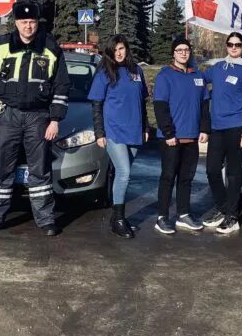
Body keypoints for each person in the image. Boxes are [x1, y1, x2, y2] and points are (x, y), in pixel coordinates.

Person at [0, 1, 70, 236]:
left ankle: (46, 219)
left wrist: (55, 119)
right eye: (24, 22)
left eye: (32, 22)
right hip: (8, 115)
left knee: (40, 170)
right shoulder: (0, 47)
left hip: (38, 116)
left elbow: (61, 87)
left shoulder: (51, 48)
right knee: (2, 168)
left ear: (37, 23)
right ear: (16, 23)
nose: (28, 26)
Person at [88, 34, 149, 239]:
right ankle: (119, 219)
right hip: (113, 130)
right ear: (110, 52)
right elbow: (97, 104)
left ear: (127, 49)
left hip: (134, 129)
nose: (119, 53)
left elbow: (142, 103)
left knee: (124, 172)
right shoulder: (105, 72)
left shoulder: (136, 71)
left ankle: (116, 216)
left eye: (122, 48)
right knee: (124, 173)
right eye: (115, 50)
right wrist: (99, 132)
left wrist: (146, 127)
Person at [201, 31, 242, 235]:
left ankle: (232, 217)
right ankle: (223, 208)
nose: (234, 48)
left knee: (233, 173)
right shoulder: (217, 67)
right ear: (226, 46)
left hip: (236, 128)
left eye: (238, 45)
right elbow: (198, 78)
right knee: (212, 170)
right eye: (230, 44)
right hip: (217, 127)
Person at [152, 36, 210, 235]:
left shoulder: (198, 76)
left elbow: (204, 105)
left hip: (192, 136)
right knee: (168, 177)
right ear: (173, 53)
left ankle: (183, 213)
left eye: (186, 50)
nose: (184, 53)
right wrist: (168, 132)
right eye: (179, 50)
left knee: (186, 178)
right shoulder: (165, 76)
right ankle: (162, 217)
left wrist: (204, 129)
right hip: (171, 137)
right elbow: (160, 106)